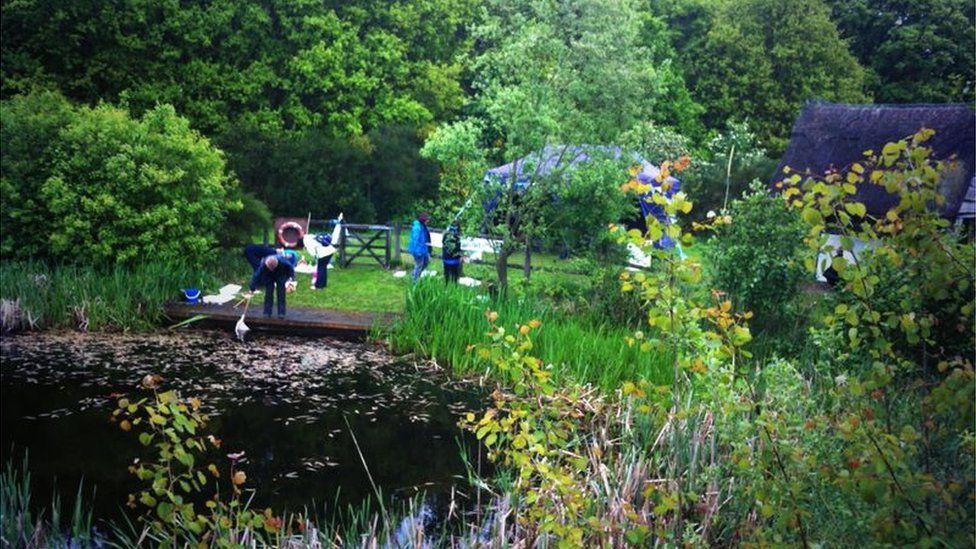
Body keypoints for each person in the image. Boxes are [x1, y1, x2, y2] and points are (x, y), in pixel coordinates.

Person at [245, 253, 296, 318]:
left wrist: (291, 278)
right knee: (268, 293)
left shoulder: (282, 261)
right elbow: (256, 276)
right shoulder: (263, 264)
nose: (272, 270)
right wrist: (252, 288)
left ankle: (281, 313)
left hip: (281, 274)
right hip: (268, 276)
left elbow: (290, 268)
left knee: (281, 293)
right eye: (271, 268)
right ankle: (267, 312)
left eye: (273, 268)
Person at [303, 213, 344, 290]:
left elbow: (313, 253)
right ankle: (323, 284)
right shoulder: (310, 237)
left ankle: (319, 286)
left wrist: (316, 256)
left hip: (324, 253)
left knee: (321, 268)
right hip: (330, 251)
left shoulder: (307, 242)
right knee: (323, 268)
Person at [408, 211, 432, 282]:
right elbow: (415, 240)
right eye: (427, 220)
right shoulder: (417, 228)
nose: (428, 221)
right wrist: (417, 251)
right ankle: (414, 281)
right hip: (418, 250)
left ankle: (414, 275)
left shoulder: (423, 226)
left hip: (424, 249)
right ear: (424, 220)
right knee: (419, 265)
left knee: (426, 262)